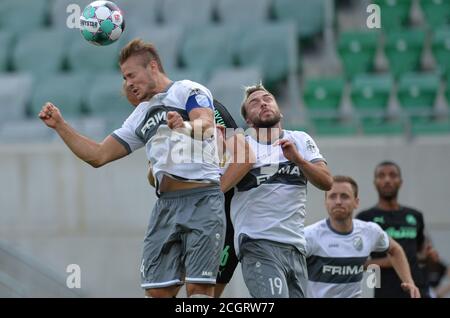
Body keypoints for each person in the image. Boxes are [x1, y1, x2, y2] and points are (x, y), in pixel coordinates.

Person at [39, 39, 225, 298]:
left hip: (202, 199)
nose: (128, 83)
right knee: (158, 292)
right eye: (124, 78)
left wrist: (183, 127)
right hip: (166, 207)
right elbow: (98, 155)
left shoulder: (187, 90)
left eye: (131, 75)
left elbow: (205, 125)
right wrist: (60, 125)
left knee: (198, 290)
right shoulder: (140, 114)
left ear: (152, 66)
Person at [123, 72, 252, 297]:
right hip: (177, 211)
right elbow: (152, 177)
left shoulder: (213, 110)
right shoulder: (154, 120)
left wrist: (210, 191)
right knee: (161, 290)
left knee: (202, 290)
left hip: (218, 211)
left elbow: (245, 156)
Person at [228, 83, 333, 298]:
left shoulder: (300, 140)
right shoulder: (241, 145)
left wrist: (298, 160)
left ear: (279, 109)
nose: (263, 103)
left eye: (267, 98)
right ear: (248, 120)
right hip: (258, 243)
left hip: (295, 245)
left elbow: (326, 182)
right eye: (254, 103)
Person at [305, 175, 420, 298]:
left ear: (356, 202)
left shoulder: (370, 231)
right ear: (326, 202)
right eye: (332, 196)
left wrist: (409, 282)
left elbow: (395, 249)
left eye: (344, 196)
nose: (338, 201)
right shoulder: (310, 235)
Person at [356, 161, 430, 298]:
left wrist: (428, 257)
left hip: (418, 289)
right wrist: (389, 261)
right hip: (385, 290)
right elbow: (356, 263)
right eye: (381, 176)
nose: (387, 180)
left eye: (392, 175)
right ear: (375, 182)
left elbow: (419, 254)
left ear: (400, 182)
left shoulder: (415, 215)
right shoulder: (365, 218)